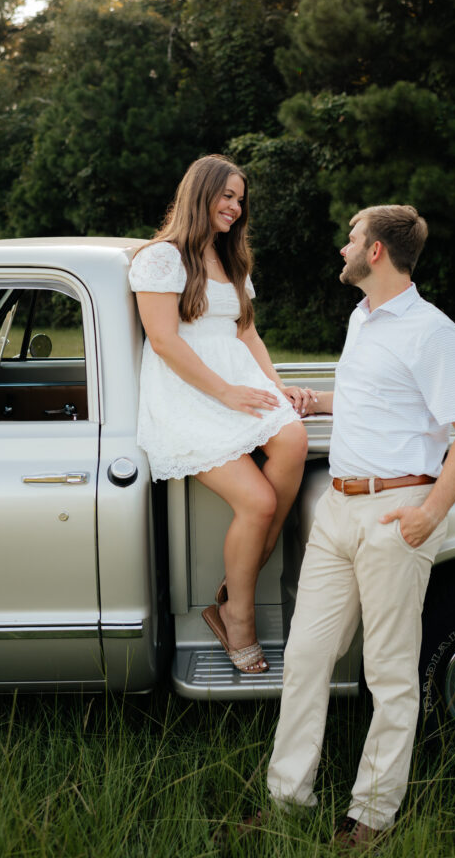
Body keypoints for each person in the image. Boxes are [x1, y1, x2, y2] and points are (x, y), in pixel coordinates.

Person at [261, 204, 455, 844]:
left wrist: (428, 514)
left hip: (396, 513)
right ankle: (287, 798)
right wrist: (319, 400)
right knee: (307, 656)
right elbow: (379, 397)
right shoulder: (362, 319)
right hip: (336, 509)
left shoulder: (431, 332)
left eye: (351, 240)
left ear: (378, 253)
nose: (343, 249)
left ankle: (373, 814)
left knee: (388, 671)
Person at [128, 155, 310, 675]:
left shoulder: (230, 259)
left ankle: (234, 585)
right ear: (199, 194)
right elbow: (163, 340)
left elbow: (246, 333)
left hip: (238, 383)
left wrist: (276, 388)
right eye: (226, 195)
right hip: (188, 392)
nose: (235, 206)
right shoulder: (161, 259)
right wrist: (226, 393)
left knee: (293, 440)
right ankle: (237, 616)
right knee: (257, 501)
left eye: (239, 198)